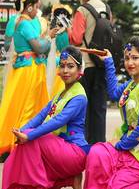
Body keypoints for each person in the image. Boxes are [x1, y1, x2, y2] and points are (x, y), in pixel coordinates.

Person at [85, 37, 139, 189]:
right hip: (129, 142)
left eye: (135, 58)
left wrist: (119, 145)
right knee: (96, 153)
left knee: (116, 185)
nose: (130, 63)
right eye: (127, 58)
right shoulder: (131, 84)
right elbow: (112, 93)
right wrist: (109, 61)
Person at [2, 46, 88, 189]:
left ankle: (38, 185)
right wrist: (21, 131)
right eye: (62, 66)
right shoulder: (61, 93)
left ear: (79, 70)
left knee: (32, 140)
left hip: (75, 151)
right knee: (23, 148)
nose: (65, 71)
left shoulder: (79, 97)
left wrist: (29, 135)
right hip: (59, 147)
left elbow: (58, 121)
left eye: (71, 66)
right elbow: (42, 115)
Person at [0, 0, 57, 155]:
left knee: (20, 105)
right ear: (30, 6)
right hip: (29, 71)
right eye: (37, 6)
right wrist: (49, 37)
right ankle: (22, 144)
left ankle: (24, 140)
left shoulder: (21, 21)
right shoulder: (24, 23)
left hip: (27, 69)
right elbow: (39, 47)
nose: (38, 10)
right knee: (28, 107)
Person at [67, 0, 109, 144]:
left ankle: (84, 144)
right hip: (103, 64)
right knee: (99, 108)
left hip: (87, 65)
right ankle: (100, 145)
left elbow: (76, 39)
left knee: (84, 107)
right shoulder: (107, 8)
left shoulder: (82, 10)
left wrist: (69, 28)